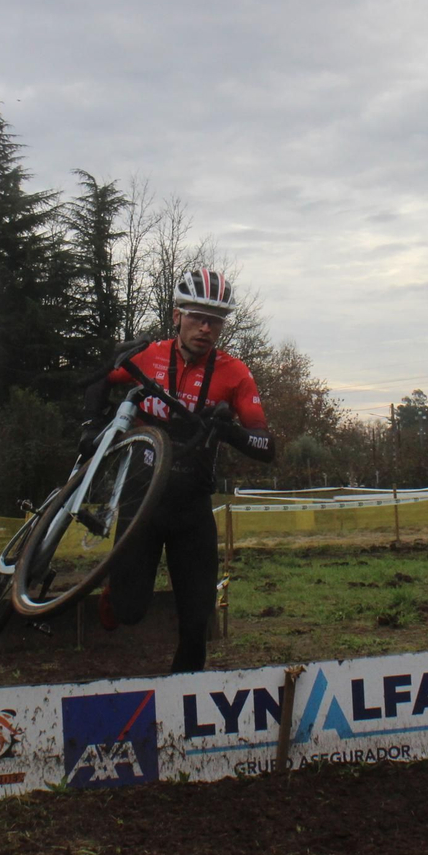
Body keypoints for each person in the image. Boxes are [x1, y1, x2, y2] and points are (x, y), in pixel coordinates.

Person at [87, 268, 276, 672]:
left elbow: (266, 446)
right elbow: (101, 380)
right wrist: (90, 426)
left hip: (192, 505)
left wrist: (230, 430)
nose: (206, 328)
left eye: (216, 321)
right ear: (177, 316)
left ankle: (183, 710)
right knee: (130, 611)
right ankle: (113, 590)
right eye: (197, 317)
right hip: (143, 501)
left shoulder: (234, 373)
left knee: (196, 623)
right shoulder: (150, 355)